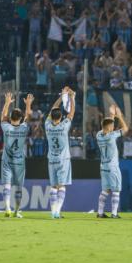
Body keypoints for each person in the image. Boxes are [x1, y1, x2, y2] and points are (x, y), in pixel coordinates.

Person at [1, 92, 33, 218]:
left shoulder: (6, 127)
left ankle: (7, 208)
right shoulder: (24, 128)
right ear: (20, 118)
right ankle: (16, 211)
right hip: (19, 161)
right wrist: (28, 104)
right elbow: (29, 116)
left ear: (11, 117)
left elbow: (3, 116)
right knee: (18, 187)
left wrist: (7, 103)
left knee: (7, 184)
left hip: (7, 160)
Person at [45, 86, 76, 219]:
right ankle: (57, 211)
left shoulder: (47, 125)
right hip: (63, 160)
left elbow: (53, 108)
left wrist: (61, 96)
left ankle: (53, 212)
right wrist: (71, 98)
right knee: (61, 186)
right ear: (61, 117)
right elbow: (72, 113)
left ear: (51, 116)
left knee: (53, 186)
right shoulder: (64, 126)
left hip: (52, 159)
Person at [96, 104, 129, 218]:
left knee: (105, 190)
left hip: (103, 166)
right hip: (112, 166)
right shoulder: (112, 136)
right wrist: (119, 116)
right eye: (112, 126)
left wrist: (111, 115)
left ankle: (100, 212)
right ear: (109, 128)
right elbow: (125, 129)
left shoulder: (98, 135)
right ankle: (114, 213)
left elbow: (107, 125)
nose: (113, 127)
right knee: (116, 190)